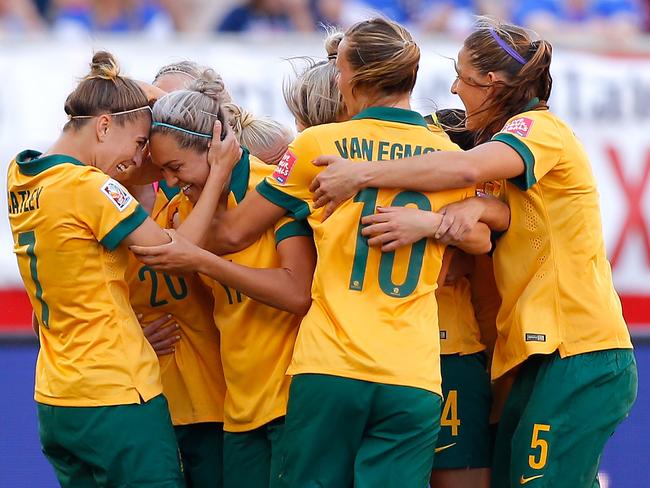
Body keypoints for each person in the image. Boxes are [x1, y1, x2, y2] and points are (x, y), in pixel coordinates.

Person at [133, 17, 495, 487]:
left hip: (331, 365)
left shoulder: (318, 144)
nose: (337, 80)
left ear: (356, 79)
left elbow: (233, 234)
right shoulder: (446, 156)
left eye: (341, 70)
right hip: (413, 370)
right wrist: (433, 223)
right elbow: (481, 239)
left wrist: (213, 191)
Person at [308, 17, 638, 488]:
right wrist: (440, 220)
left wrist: (362, 173)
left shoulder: (537, 128)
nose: (453, 88)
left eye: (462, 76)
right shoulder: (507, 157)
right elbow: (494, 217)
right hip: (532, 355)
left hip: (579, 349)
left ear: (491, 81)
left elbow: (465, 171)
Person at [6, 51, 236, 487]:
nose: (137, 160)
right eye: (138, 143)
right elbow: (177, 251)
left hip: (56, 400)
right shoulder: (91, 188)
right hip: (116, 393)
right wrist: (218, 174)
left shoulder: (21, 172)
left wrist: (127, 92)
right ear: (105, 125)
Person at [136, 72, 316, 488]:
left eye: (176, 167)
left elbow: (297, 292)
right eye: (163, 170)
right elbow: (174, 259)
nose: (171, 181)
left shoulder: (269, 190)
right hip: (238, 408)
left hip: (290, 399)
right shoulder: (186, 208)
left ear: (215, 147)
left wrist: (202, 259)